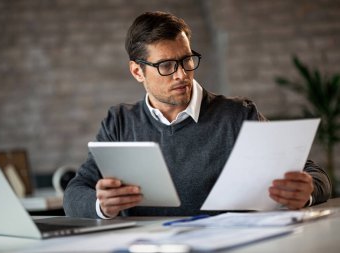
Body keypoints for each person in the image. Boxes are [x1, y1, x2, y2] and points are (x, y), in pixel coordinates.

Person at [63, 11, 331, 219]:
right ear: (137, 72)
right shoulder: (119, 122)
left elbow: (313, 174)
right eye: (166, 65)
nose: (182, 74)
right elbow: (74, 194)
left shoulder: (238, 114)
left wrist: (306, 192)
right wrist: (101, 205)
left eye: (187, 60)